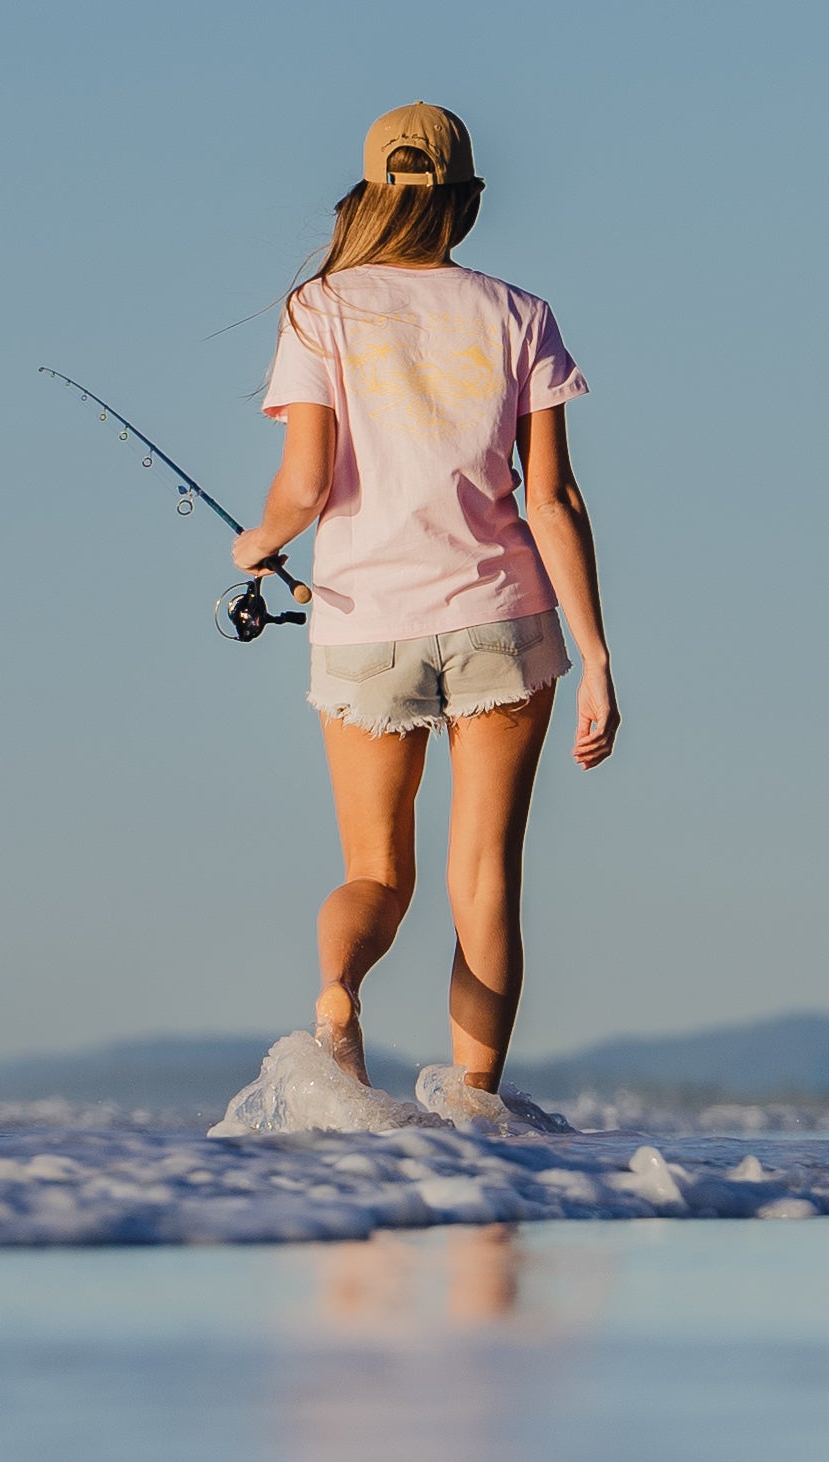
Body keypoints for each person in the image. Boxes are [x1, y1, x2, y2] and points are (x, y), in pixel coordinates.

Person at [232, 104, 618, 1123]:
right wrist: (598, 658)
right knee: (482, 876)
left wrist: (255, 543)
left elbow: (304, 481)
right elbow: (552, 501)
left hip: (365, 624)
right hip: (505, 616)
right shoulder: (518, 313)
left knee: (374, 870)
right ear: (469, 202)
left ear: (366, 196)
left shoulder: (319, 309)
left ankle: (338, 990)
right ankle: (478, 1115)